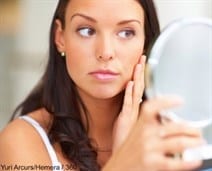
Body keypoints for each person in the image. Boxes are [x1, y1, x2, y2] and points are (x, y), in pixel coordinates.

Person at [0, 0, 204, 171]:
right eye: (87, 30)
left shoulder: (172, 137)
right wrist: (123, 161)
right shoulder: (21, 141)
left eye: (126, 33)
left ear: (146, 42)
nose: (106, 52)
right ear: (60, 37)